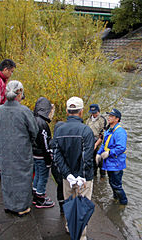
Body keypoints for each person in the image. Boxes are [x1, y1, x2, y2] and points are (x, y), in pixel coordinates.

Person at [0, 80, 38, 217]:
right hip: (22, 151)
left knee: (7, 177)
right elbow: (34, 131)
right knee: (23, 177)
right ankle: (21, 207)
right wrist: (29, 143)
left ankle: (9, 205)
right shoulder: (24, 111)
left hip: (4, 151)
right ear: (20, 92)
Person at [53, 97, 94, 240]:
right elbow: (87, 158)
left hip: (67, 178)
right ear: (81, 112)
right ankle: (81, 236)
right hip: (84, 179)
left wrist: (68, 175)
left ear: (67, 111)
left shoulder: (59, 130)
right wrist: (81, 176)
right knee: (82, 207)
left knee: (69, 203)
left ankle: (69, 228)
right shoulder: (86, 131)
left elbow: (57, 156)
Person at [96, 109, 128, 205]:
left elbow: (121, 147)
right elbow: (104, 144)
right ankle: (115, 199)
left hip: (116, 163)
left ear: (117, 119)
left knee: (117, 185)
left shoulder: (120, 132)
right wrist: (99, 153)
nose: (108, 117)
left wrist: (109, 153)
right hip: (109, 162)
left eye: (111, 116)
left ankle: (123, 203)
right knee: (111, 182)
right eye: (108, 115)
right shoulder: (109, 130)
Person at [32, 97, 55, 208]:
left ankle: (35, 194)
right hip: (41, 155)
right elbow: (45, 143)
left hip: (34, 153)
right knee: (43, 176)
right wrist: (48, 159)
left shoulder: (34, 119)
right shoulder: (42, 124)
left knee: (37, 174)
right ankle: (41, 198)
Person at [85, 104, 107, 178]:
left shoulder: (102, 120)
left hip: (99, 142)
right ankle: (93, 177)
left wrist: (96, 144)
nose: (93, 114)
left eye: (95, 112)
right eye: (92, 112)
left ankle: (102, 177)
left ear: (98, 111)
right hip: (90, 141)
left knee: (101, 161)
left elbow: (103, 134)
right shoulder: (88, 120)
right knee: (92, 161)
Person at [49, 121, 65, 214]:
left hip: (54, 168)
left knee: (59, 186)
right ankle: (65, 205)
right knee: (64, 186)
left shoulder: (51, 141)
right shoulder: (62, 141)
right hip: (61, 168)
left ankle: (61, 206)